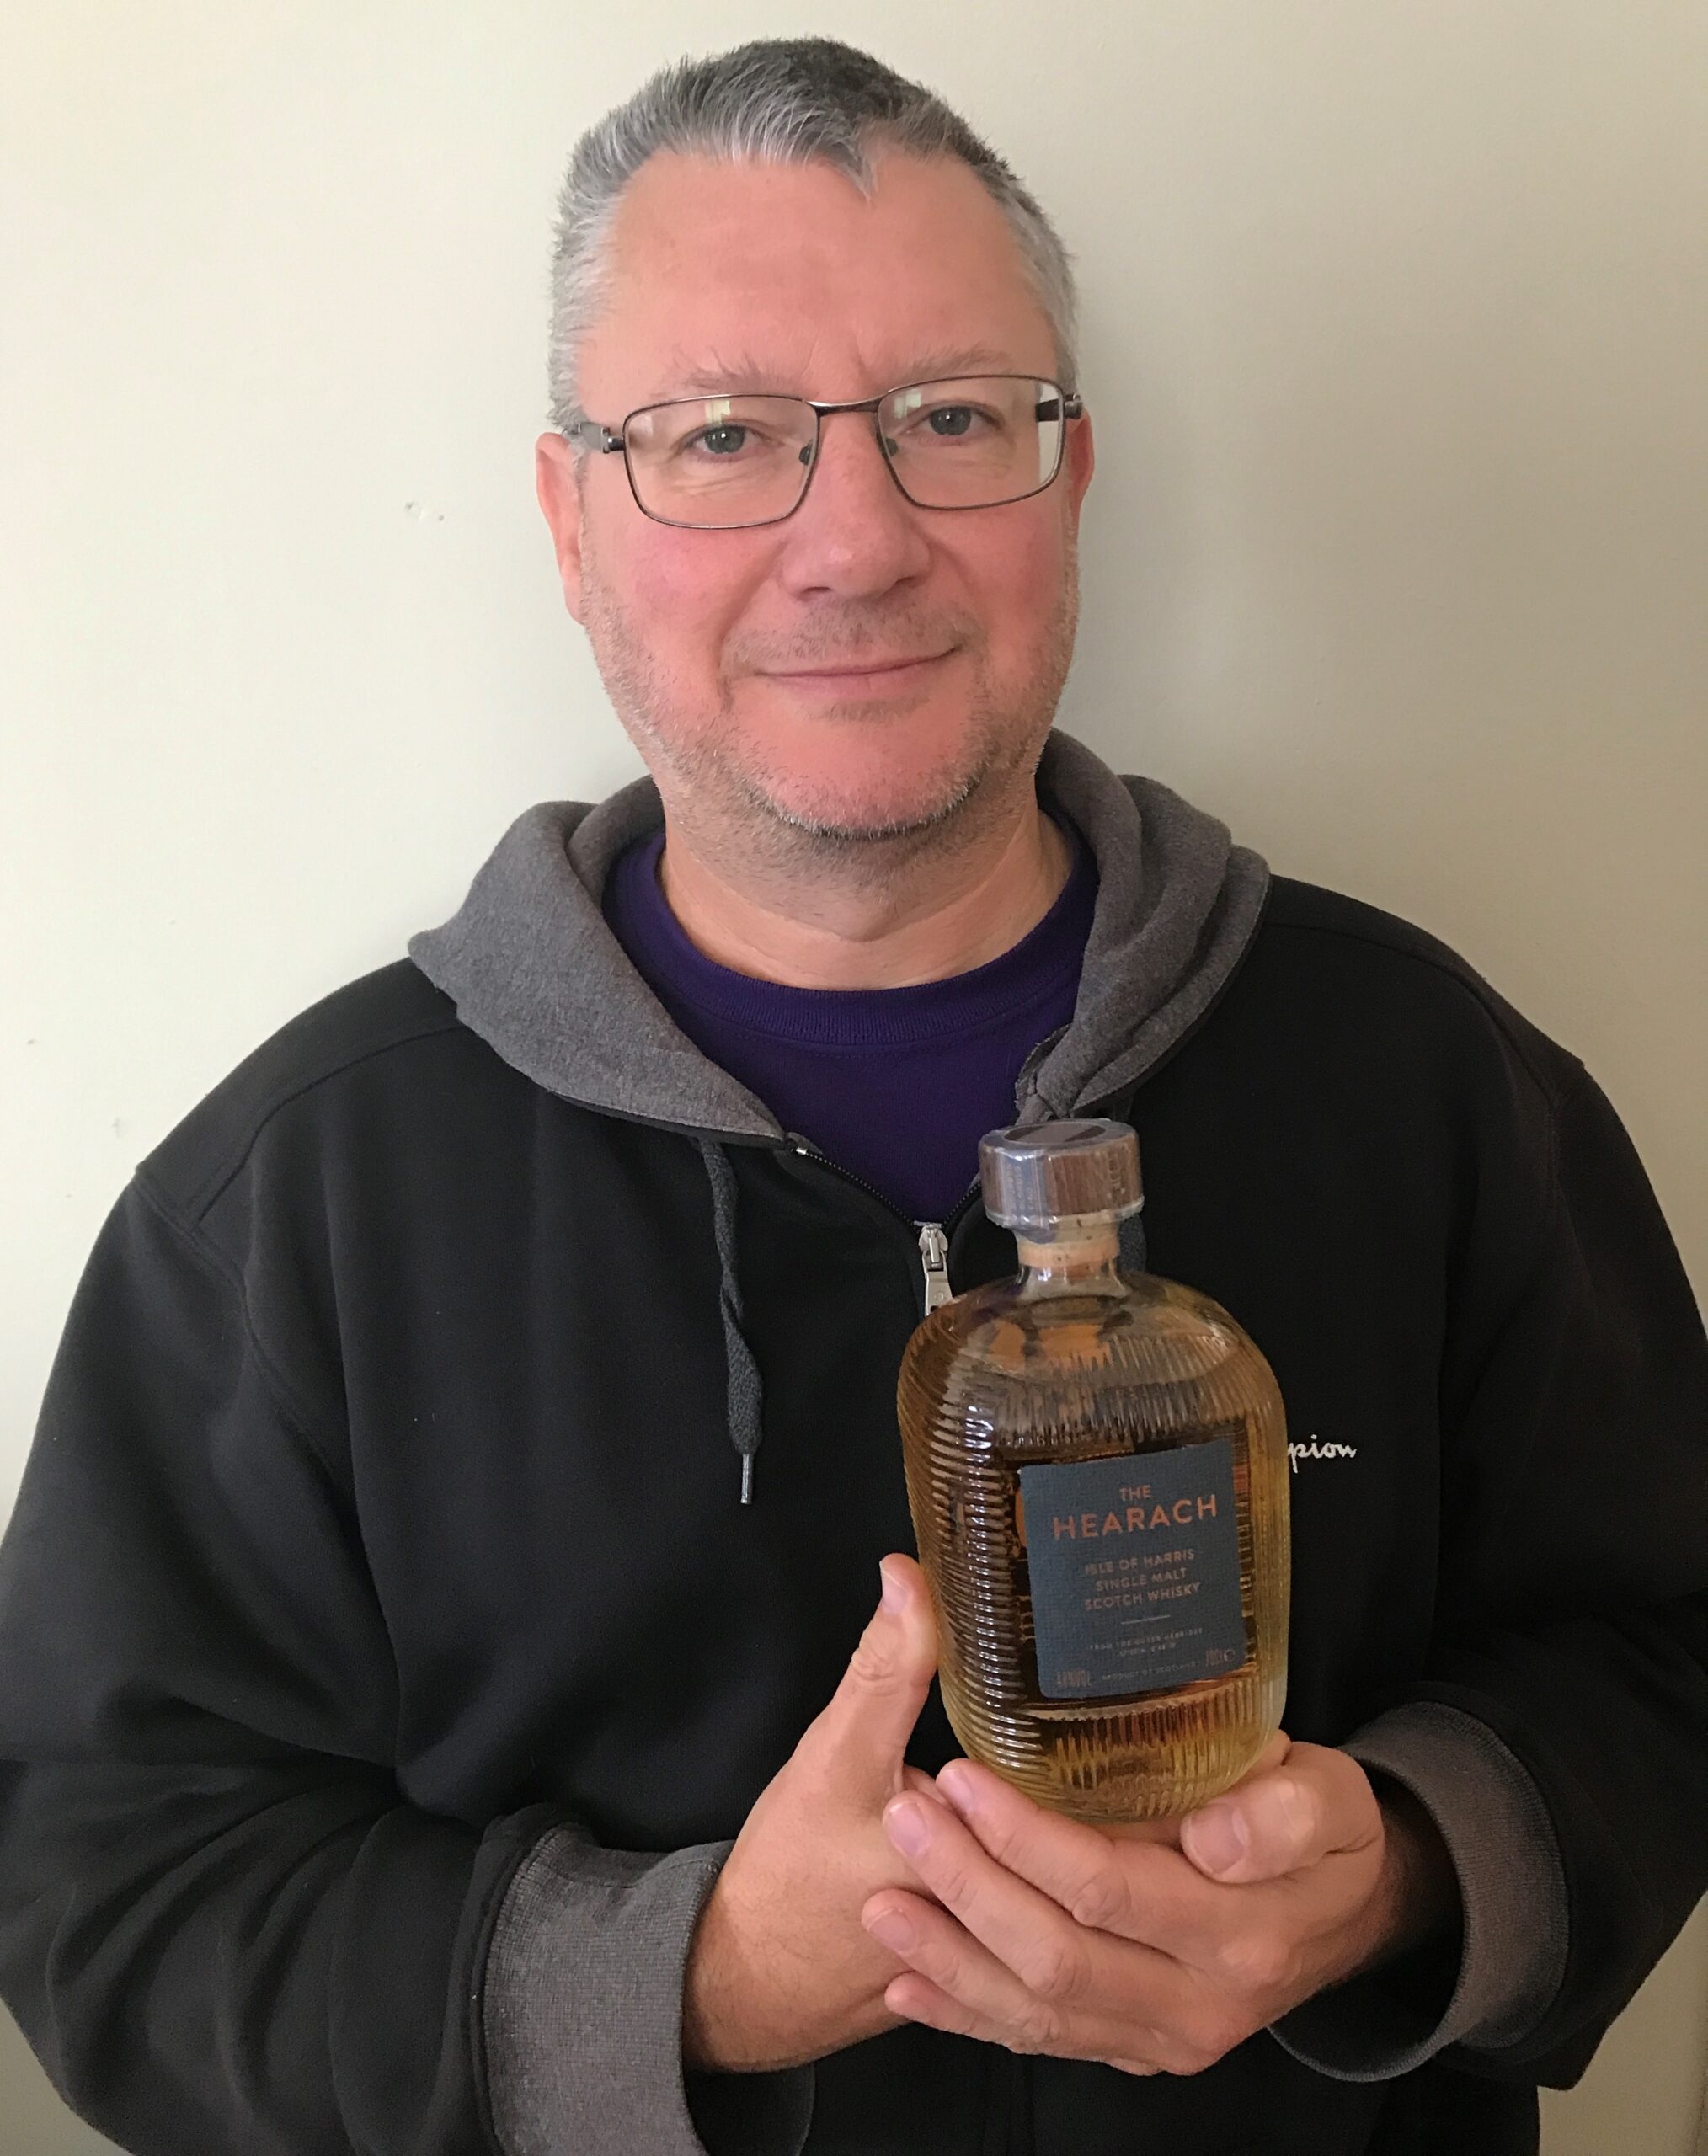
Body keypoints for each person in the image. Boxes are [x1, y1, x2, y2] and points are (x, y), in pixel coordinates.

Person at [1, 35, 1703, 2156]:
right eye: (721, 436)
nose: (857, 539)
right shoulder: (290, 1202)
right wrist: (683, 1981)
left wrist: (1417, 1866)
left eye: (955, 418)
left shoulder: (1429, 1078)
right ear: (569, 521)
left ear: (1072, 478)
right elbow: (110, 1877)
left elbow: (1663, 1648)